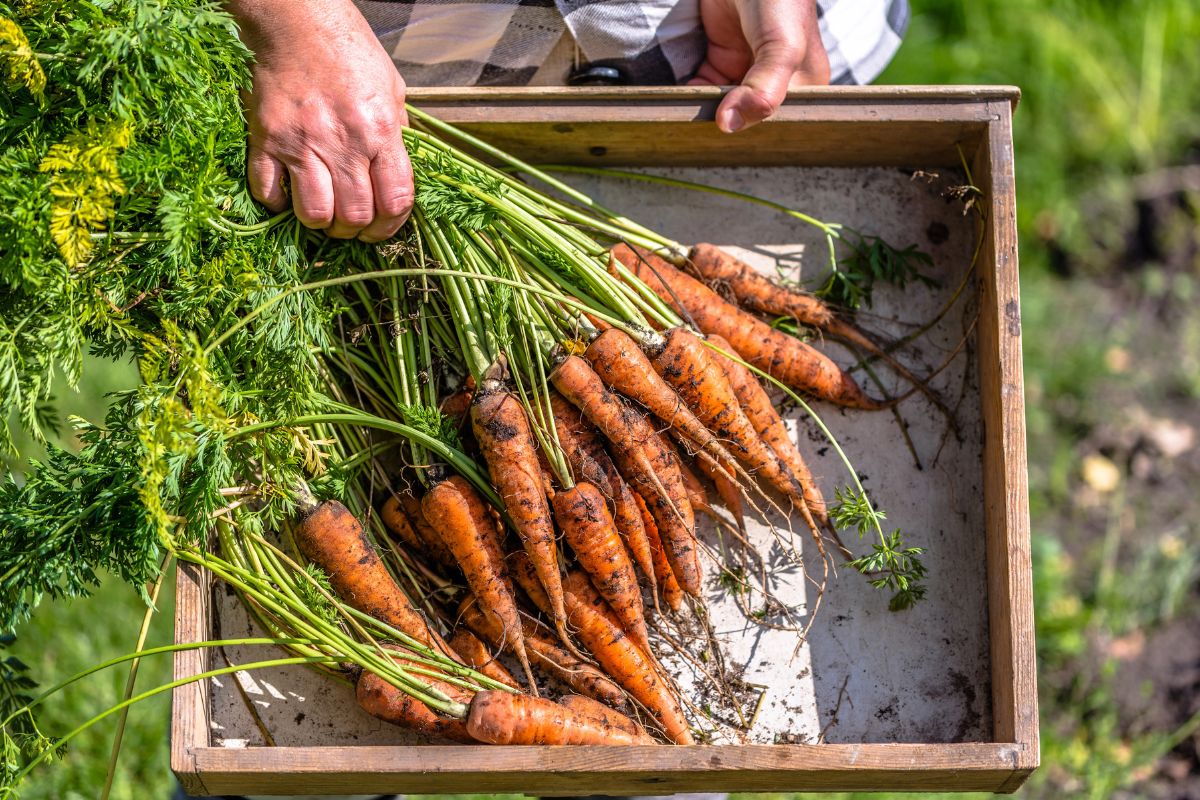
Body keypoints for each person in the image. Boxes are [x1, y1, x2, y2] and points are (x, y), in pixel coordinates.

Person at [175, 2, 907, 798]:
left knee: (659, 777)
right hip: (346, 98)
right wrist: (294, 24)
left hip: (675, 59)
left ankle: (667, 756)